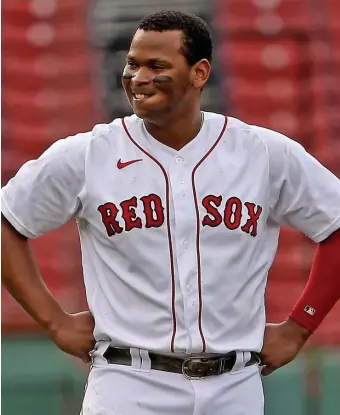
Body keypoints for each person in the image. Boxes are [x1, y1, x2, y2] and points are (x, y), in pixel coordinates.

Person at [2, 10, 340, 415]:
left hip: (235, 387)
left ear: (199, 73)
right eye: (132, 64)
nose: (138, 78)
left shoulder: (262, 153)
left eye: (156, 66)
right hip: (129, 383)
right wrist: (54, 320)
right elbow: (8, 220)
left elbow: (335, 225)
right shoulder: (89, 154)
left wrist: (301, 325)